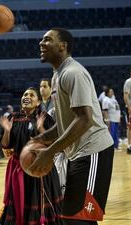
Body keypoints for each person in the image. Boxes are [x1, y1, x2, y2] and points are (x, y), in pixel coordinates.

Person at [31, 28, 114, 225]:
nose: (41, 43)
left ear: (63, 46)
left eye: (47, 40)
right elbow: (65, 123)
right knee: (69, 216)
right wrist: (41, 139)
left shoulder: (73, 73)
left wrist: (50, 151)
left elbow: (84, 119)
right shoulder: (57, 76)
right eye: (41, 40)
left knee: (79, 218)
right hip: (77, 155)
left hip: (94, 151)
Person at [0, 87, 62, 225]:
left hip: (40, 169)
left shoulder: (44, 117)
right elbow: (5, 146)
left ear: (38, 102)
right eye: (25, 94)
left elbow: (52, 144)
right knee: (18, 203)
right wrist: (7, 131)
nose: (27, 96)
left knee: (39, 204)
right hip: (18, 169)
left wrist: (41, 129)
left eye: (32, 95)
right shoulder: (13, 118)